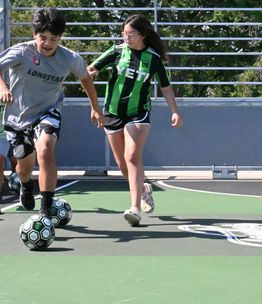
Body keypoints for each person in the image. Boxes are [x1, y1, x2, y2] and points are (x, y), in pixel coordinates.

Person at [0, 8, 103, 217]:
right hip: (17, 118)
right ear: (34, 35)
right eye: (43, 38)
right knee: (24, 167)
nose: (48, 44)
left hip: (48, 111)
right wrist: (3, 88)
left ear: (60, 37)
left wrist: (95, 107)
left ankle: (46, 211)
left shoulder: (69, 58)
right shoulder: (21, 52)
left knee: (46, 150)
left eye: (53, 39)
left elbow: (86, 78)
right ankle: (26, 185)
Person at [87, 14, 182, 226]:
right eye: (124, 33)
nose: (127, 37)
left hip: (138, 113)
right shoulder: (116, 52)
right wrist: (85, 83)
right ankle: (144, 188)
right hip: (112, 112)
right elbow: (90, 71)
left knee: (132, 157)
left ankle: (135, 208)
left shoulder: (153, 59)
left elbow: (165, 87)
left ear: (142, 35)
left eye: (131, 33)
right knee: (123, 165)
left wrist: (174, 111)